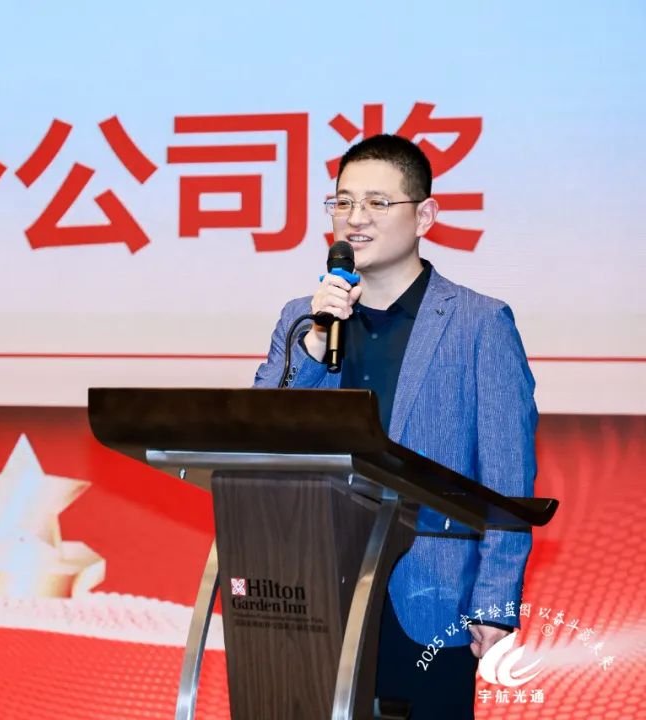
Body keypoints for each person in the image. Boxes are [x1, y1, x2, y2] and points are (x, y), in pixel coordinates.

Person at [253, 134, 537, 719]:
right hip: (314, 591)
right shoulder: (302, 319)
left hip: (431, 596)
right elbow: (261, 435)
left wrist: (495, 601)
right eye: (343, 202)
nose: (355, 218)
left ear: (424, 216)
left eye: (377, 203)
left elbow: (508, 476)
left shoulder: (479, 323)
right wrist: (313, 345)